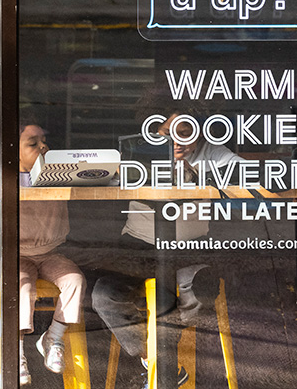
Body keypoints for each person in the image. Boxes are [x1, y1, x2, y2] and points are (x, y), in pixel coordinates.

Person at [90, 113, 245, 389]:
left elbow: (246, 175)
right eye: (164, 134)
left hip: (191, 250)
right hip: (138, 248)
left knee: (192, 293)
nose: (175, 140)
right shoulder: (135, 154)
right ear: (150, 134)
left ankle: (164, 368)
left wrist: (195, 173)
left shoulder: (211, 154)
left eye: (184, 132)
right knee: (104, 295)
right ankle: (161, 365)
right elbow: (100, 179)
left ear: (198, 134)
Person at [0, 119, 85, 386]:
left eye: (44, 141)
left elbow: (88, 183)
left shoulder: (57, 177)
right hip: (17, 253)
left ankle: (54, 336)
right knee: (22, 289)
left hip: (51, 252)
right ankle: (17, 349)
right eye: (33, 143)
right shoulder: (5, 181)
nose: (43, 146)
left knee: (75, 281)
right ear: (13, 151)